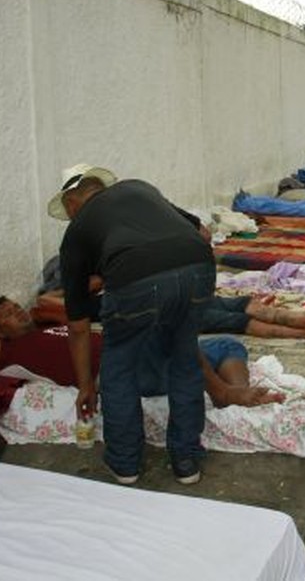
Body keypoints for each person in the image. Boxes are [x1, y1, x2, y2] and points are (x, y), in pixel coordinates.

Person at [49, 163, 217, 486]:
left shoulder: (76, 232)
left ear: (71, 203)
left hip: (135, 279)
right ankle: (186, 462)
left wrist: (86, 385)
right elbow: (203, 233)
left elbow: (79, 326)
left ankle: (126, 465)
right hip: (199, 267)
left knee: (120, 365)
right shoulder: (139, 188)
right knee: (184, 357)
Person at [0, 297, 282, 409]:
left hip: (134, 353)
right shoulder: (7, 352)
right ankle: (225, 393)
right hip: (121, 373)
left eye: (15, 305)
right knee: (172, 329)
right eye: (7, 313)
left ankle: (235, 393)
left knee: (226, 344)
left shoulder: (47, 331)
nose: (18, 311)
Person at [34, 287, 305, 341]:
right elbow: (43, 301)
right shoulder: (78, 307)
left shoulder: (96, 294)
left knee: (245, 304)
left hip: (177, 299)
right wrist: (76, 289)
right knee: (239, 321)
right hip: (166, 315)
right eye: (7, 311)